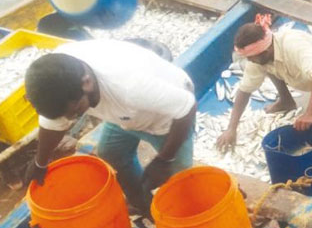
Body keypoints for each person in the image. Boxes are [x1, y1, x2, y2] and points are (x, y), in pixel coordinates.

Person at [24, 39, 196, 213]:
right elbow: (53, 124)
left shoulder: (130, 86)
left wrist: (164, 159)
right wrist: (40, 162)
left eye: (76, 111)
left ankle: (184, 216)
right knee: (111, 152)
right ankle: (143, 202)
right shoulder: (56, 79)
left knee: (180, 178)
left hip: (167, 119)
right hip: (124, 116)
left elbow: (186, 107)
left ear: (87, 83)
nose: (70, 119)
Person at [216, 15, 312, 151]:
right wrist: (231, 128)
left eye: (252, 58)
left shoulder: (292, 45)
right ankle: (286, 100)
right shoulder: (259, 56)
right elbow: (244, 90)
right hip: (304, 76)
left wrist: (310, 113)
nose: (250, 61)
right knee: (266, 65)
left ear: (266, 50)